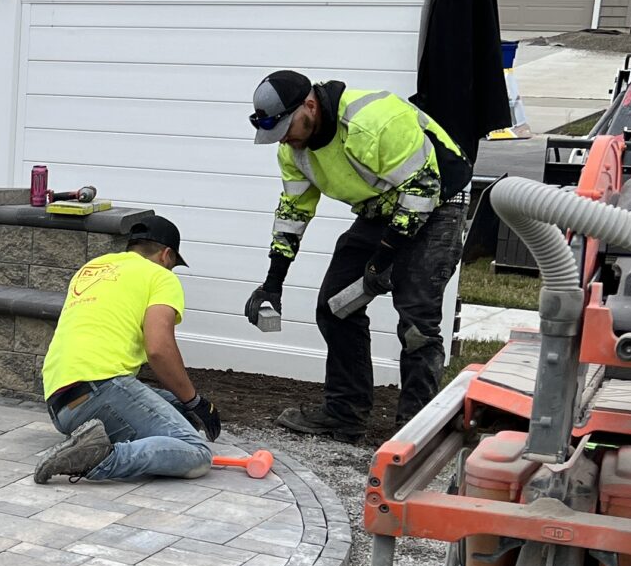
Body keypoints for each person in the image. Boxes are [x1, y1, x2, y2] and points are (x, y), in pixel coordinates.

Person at [241, 69, 469, 439]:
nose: (285, 141)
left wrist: (382, 261)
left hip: (437, 202)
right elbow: (293, 212)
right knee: (335, 306)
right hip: (381, 207)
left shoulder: (373, 121)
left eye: (287, 129)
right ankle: (344, 413)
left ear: (310, 106)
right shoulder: (293, 150)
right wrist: (273, 283)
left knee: (416, 324)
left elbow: (421, 192)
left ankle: (415, 432)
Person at [34, 211, 221, 484]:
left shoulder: (92, 268)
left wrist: (186, 405)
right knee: (197, 452)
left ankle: (89, 440)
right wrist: (195, 400)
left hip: (62, 407)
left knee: (180, 411)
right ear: (166, 255)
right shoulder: (159, 276)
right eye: (172, 264)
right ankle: (101, 457)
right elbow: (158, 348)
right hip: (101, 387)